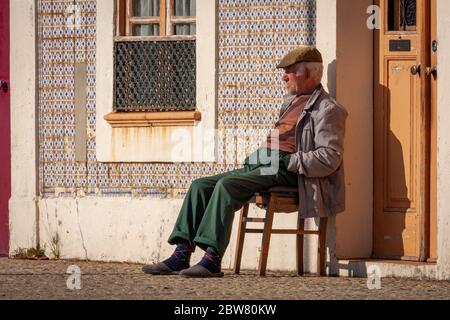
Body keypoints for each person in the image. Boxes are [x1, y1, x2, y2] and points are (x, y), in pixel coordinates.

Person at [142, 46, 348, 277]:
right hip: (267, 163)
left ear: (308, 74)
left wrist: (288, 161)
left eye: (289, 71)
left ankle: (212, 259)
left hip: (291, 171)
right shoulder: (291, 102)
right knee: (200, 186)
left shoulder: (329, 109)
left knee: (226, 187)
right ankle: (182, 254)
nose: (284, 76)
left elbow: (330, 158)